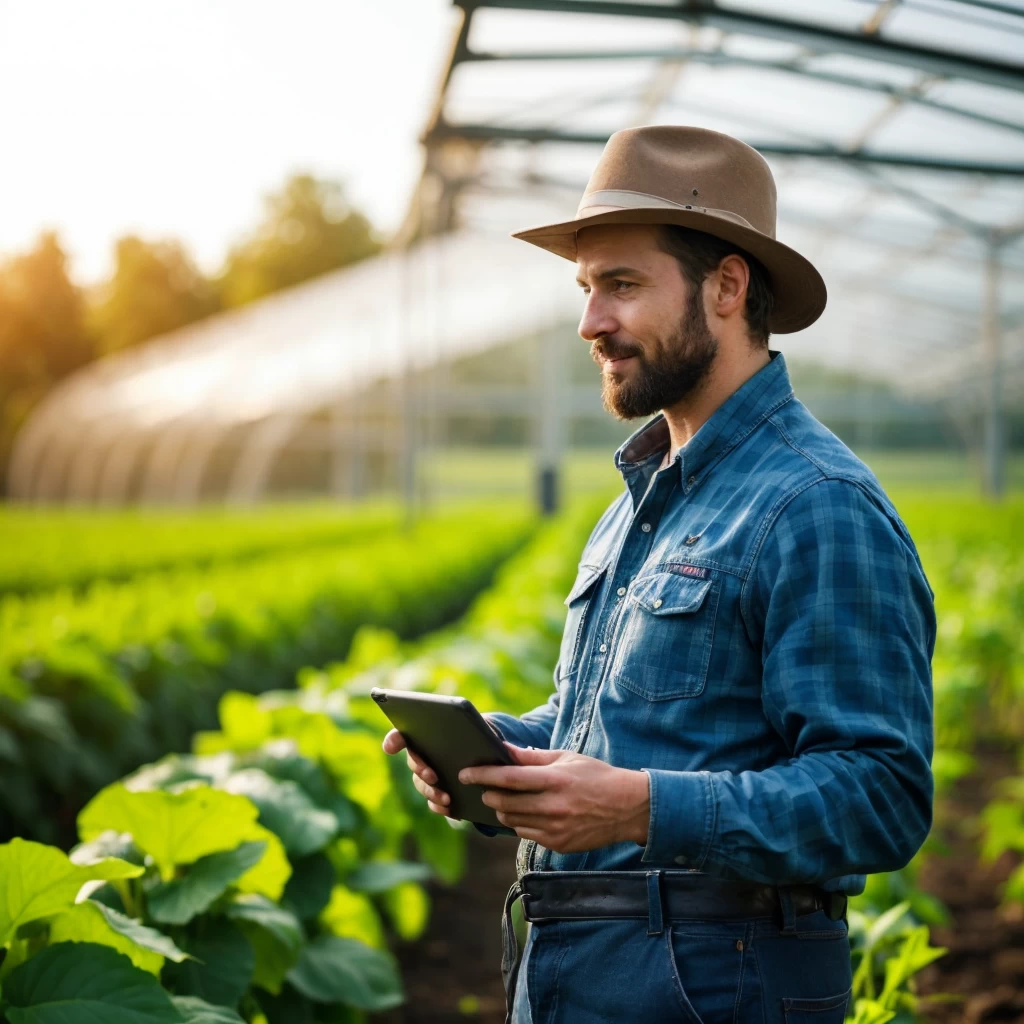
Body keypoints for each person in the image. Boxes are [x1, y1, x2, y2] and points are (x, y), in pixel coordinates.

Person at [382, 124, 935, 1024]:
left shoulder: (816, 505)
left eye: (623, 285)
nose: (591, 320)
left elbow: (880, 795)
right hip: (576, 967)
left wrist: (643, 810)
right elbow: (611, 725)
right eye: (586, 287)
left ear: (726, 286)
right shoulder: (639, 499)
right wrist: (499, 756)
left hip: (718, 981)